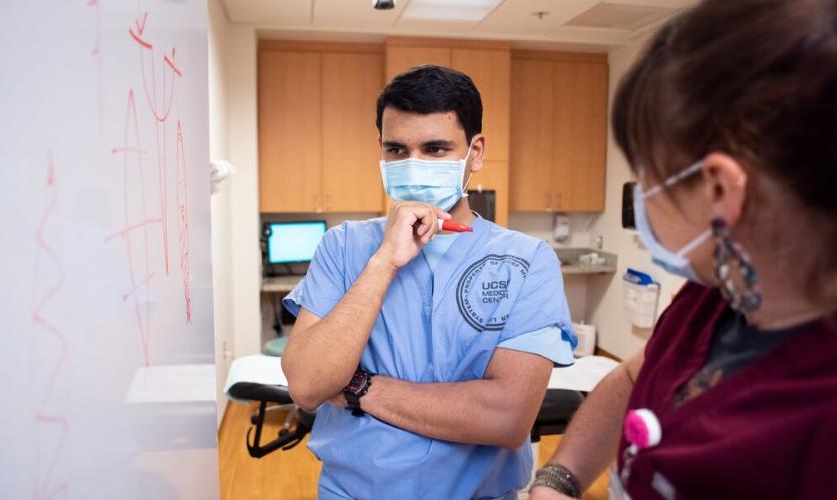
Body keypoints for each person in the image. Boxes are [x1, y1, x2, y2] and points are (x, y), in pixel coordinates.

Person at [529, 0, 837, 498]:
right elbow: (636, 374)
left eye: (649, 177)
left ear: (719, 190)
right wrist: (559, 478)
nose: (641, 195)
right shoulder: (715, 292)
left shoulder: (819, 425)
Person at [280, 65, 577, 499]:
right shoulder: (344, 247)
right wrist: (384, 261)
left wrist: (360, 386)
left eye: (436, 149)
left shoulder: (527, 261)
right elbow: (307, 385)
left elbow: (506, 419)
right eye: (397, 149)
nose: (413, 164)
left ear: (475, 153)